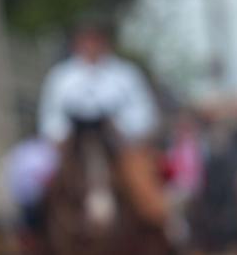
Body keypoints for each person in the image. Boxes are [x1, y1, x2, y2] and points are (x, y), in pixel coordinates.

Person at [37, 20, 166, 226]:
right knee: (37, 183)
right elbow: (50, 116)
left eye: (96, 39)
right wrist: (60, 137)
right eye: (86, 39)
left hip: (119, 146)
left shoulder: (126, 74)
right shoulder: (61, 77)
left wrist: (123, 131)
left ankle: (167, 232)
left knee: (145, 192)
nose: (91, 45)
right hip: (72, 145)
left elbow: (144, 114)